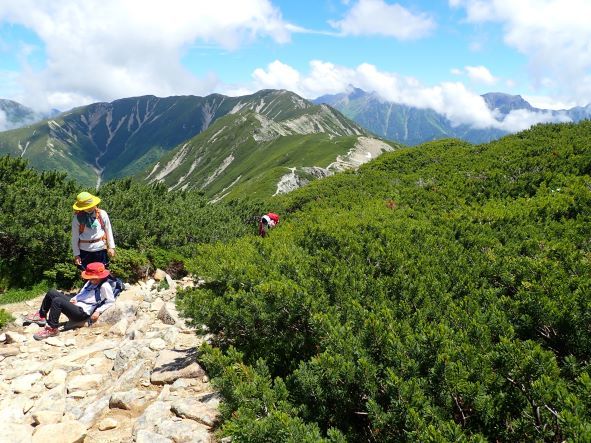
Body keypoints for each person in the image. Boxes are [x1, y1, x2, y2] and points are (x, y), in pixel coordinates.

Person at [25, 262, 115, 340]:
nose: (91, 279)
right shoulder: (90, 282)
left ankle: (52, 328)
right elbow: (83, 293)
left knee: (57, 301)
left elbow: (110, 301)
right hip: (77, 304)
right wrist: (75, 298)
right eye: (90, 277)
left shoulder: (104, 286)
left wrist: (98, 311)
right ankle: (42, 316)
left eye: (93, 277)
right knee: (51, 292)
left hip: (82, 312)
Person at [71, 191, 115, 270]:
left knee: (101, 274)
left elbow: (108, 230)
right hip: (84, 251)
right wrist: (76, 255)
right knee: (87, 274)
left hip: (100, 249)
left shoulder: (102, 214)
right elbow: (75, 237)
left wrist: (111, 247)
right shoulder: (77, 218)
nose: (90, 208)